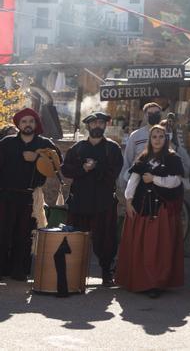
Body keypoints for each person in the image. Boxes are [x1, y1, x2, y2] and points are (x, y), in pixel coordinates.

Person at [116, 124, 185, 296]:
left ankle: (156, 283)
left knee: (158, 247)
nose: (157, 140)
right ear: (150, 139)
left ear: (166, 138)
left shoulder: (172, 158)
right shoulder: (143, 157)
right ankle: (140, 280)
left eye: (161, 136)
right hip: (142, 207)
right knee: (141, 247)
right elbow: (134, 179)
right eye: (154, 136)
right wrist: (129, 200)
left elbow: (174, 182)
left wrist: (154, 178)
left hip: (161, 209)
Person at [60, 111, 124, 286]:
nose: (97, 126)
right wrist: (83, 169)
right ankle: (72, 274)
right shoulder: (78, 148)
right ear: (88, 126)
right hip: (80, 201)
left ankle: (106, 273)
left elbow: (114, 173)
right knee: (75, 238)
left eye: (101, 123)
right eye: (94, 123)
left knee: (106, 240)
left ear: (105, 126)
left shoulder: (112, 148)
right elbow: (65, 170)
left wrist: (95, 168)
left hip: (103, 202)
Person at [0, 108, 61, 281]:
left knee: (25, 234)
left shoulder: (45, 143)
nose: (28, 124)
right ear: (18, 125)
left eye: (31, 121)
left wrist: (38, 157)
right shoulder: (6, 143)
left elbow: (57, 165)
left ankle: (20, 270)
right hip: (6, 195)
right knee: (3, 233)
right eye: (24, 122)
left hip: (31, 196)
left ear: (36, 123)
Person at [119, 102, 164, 195]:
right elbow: (127, 160)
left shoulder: (168, 134)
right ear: (145, 116)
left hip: (162, 183)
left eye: (156, 113)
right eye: (150, 114)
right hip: (138, 184)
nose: (153, 116)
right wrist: (123, 184)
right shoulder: (136, 136)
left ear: (161, 115)